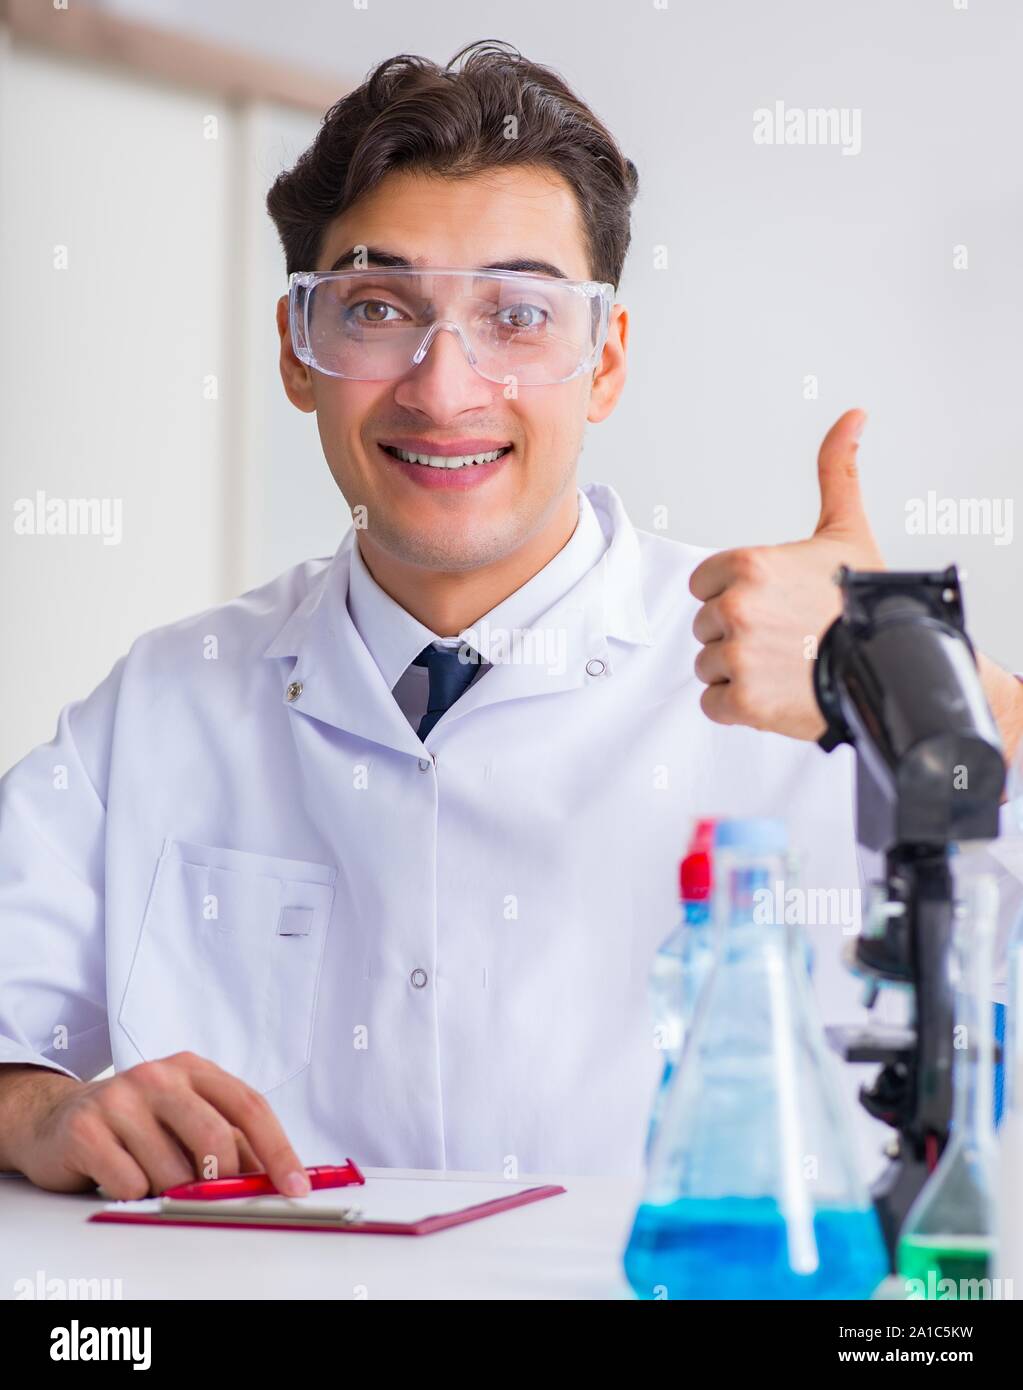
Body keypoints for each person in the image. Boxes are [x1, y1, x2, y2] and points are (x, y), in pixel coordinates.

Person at [1, 40, 1021, 1200]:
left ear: (604, 362)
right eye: (377, 307)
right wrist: (39, 1107)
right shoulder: (171, 698)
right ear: (299, 349)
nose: (443, 387)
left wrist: (924, 678)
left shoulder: (807, 685)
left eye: (519, 315)